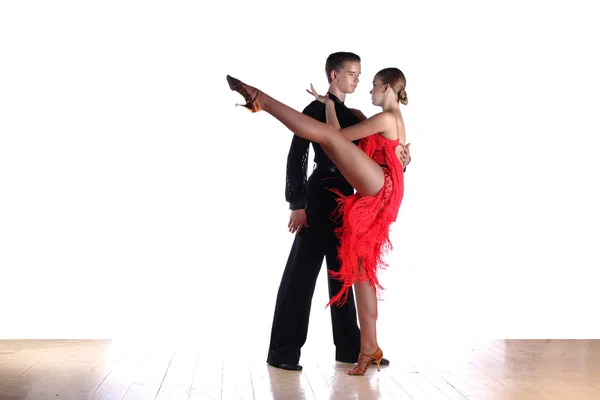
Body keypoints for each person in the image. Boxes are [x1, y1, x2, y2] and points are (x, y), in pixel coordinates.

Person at [226, 65, 409, 376]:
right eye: (354, 74)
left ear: (388, 88)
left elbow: (340, 139)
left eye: (369, 80)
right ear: (334, 75)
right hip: (332, 195)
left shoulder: (370, 116)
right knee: (354, 274)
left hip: (369, 191)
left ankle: (262, 101)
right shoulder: (331, 110)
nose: (363, 84)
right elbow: (300, 150)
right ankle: (364, 347)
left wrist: (405, 159)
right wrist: (297, 201)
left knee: (347, 274)